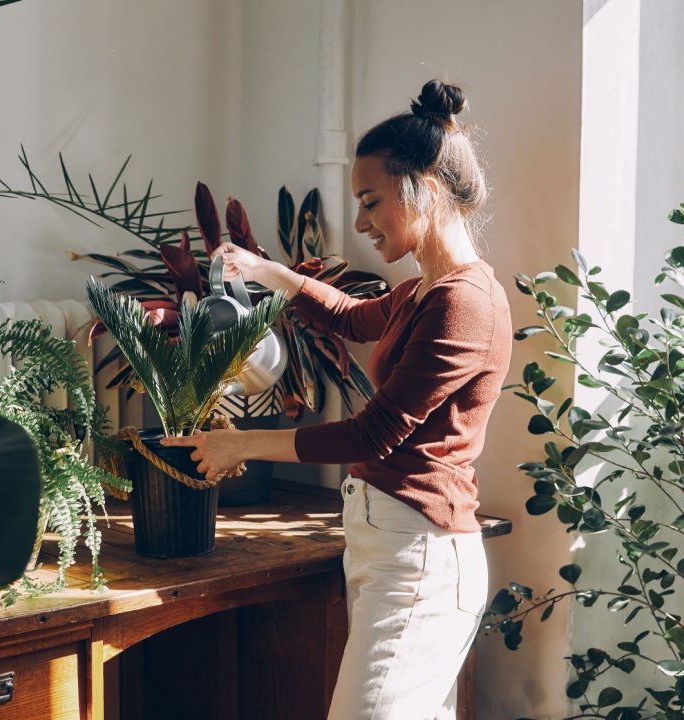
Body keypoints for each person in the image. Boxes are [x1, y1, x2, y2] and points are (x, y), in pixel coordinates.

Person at [162, 79, 513, 720]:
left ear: (425, 191)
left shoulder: (464, 302)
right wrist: (270, 273)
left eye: (371, 201)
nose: (359, 223)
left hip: (420, 555)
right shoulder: (424, 292)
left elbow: (372, 434)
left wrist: (239, 441)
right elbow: (352, 318)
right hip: (392, 547)